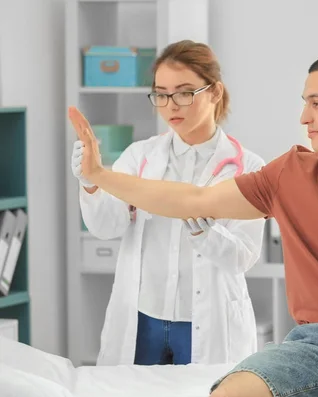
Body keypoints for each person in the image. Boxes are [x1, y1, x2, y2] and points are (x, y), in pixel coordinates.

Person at [69, 49, 318, 397]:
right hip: (311, 347)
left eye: (317, 104)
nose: (304, 117)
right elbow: (193, 200)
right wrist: (98, 176)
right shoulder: (290, 174)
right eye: (305, 103)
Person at [71, 40, 266, 367]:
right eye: (160, 93)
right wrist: (91, 182)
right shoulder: (139, 156)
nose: (171, 105)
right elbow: (106, 227)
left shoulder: (249, 167)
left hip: (206, 319)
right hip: (142, 316)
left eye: (184, 92)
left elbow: (243, 257)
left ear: (215, 92)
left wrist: (204, 230)